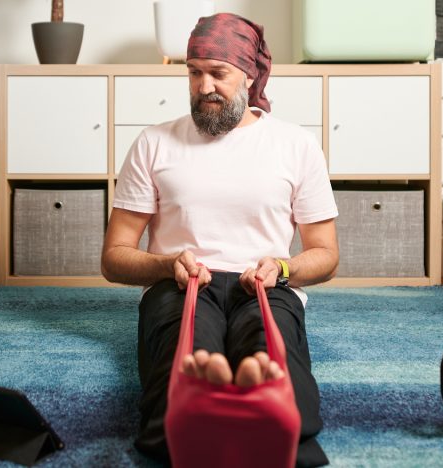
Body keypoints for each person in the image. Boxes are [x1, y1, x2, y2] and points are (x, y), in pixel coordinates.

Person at [101, 12, 338, 468]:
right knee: (183, 358)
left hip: (266, 286)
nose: (204, 85)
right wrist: (165, 263)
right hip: (181, 285)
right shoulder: (154, 143)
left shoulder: (295, 145)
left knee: (274, 357)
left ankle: (260, 408)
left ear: (249, 77)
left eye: (218, 73)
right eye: (194, 72)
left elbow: (326, 255)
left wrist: (282, 268)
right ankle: (208, 410)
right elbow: (114, 258)